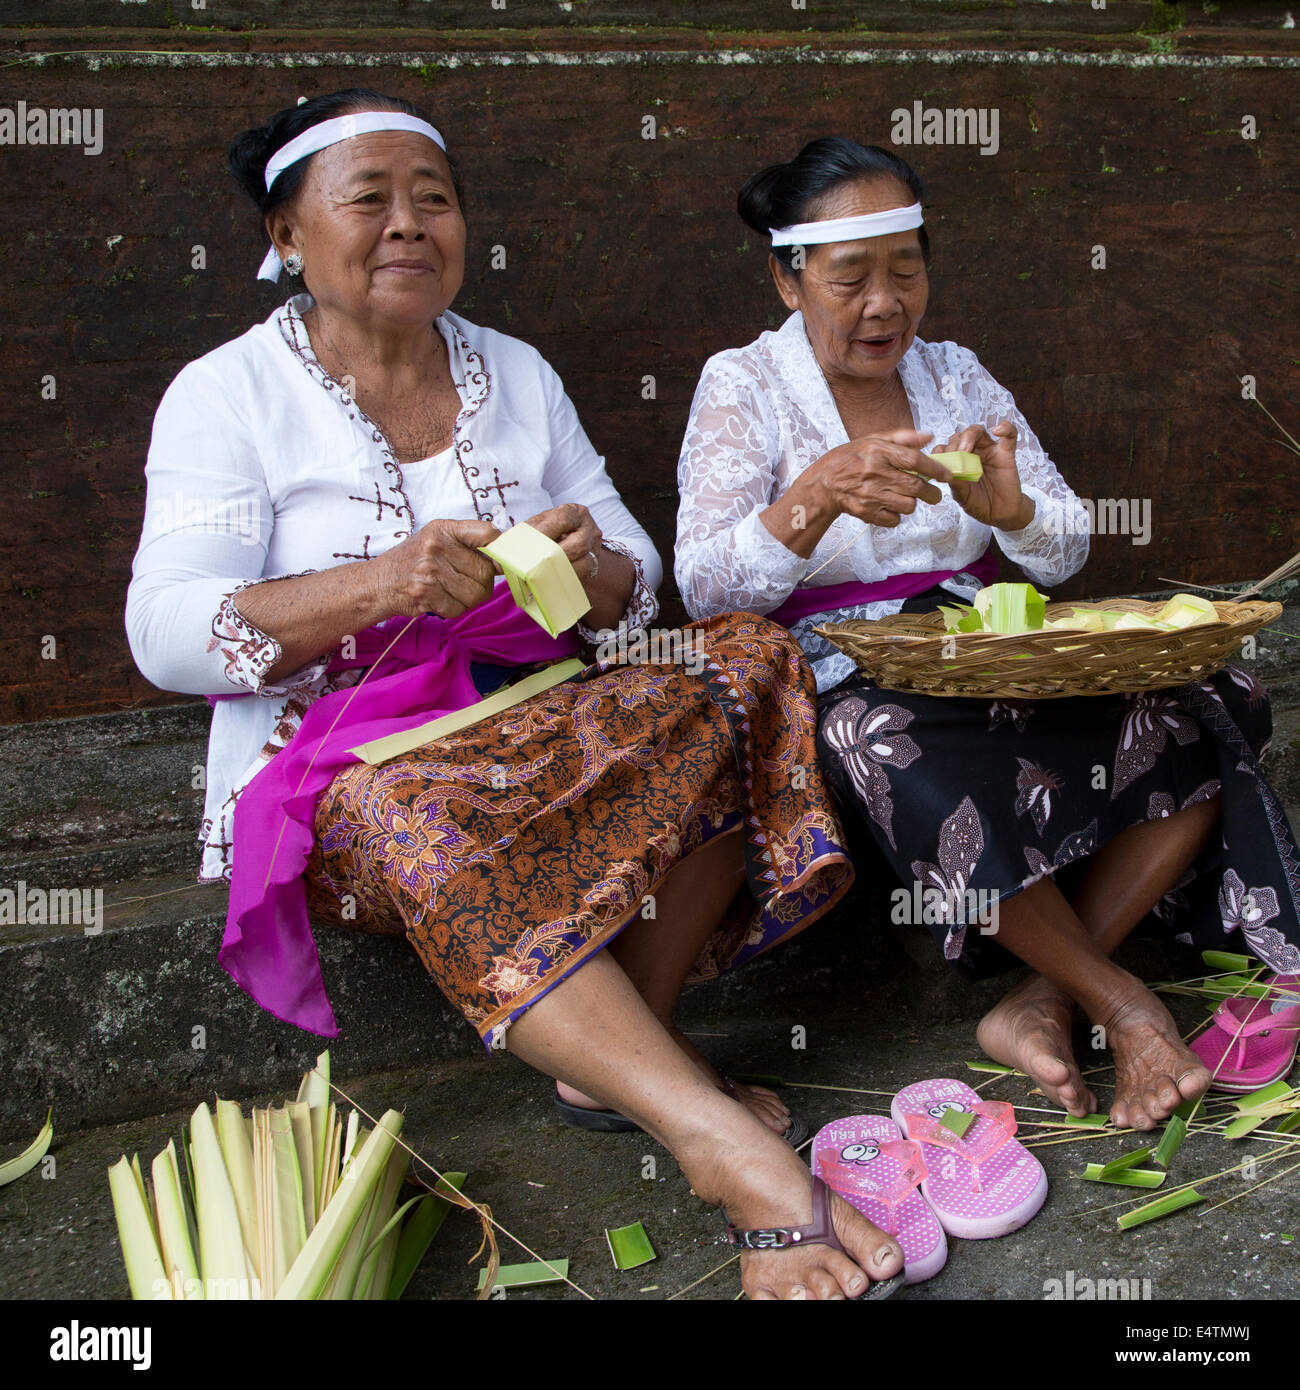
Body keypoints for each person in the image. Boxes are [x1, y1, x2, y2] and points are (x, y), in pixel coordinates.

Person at [125, 92, 902, 1300]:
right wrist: (382, 581)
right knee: (409, 807)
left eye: (433, 198)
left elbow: (637, 583)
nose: (407, 224)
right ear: (285, 236)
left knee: (744, 657)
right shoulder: (226, 395)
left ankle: (615, 1064)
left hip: (537, 719)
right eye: (368, 199)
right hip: (343, 767)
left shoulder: (514, 371)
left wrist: (590, 569)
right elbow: (164, 632)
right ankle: (717, 1143)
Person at [676, 136, 1300, 1139]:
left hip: (983, 646)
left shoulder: (956, 375)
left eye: (905, 268)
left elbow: (1060, 552)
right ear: (788, 279)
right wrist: (813, 497)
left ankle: (1038, 996)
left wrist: (1010, 512)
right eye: (850, 277)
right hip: (843, 667)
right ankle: (1124, 1003)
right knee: (878, 738)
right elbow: (703, 580)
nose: (883, 302)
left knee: (1213, 701)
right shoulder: (741, 385)